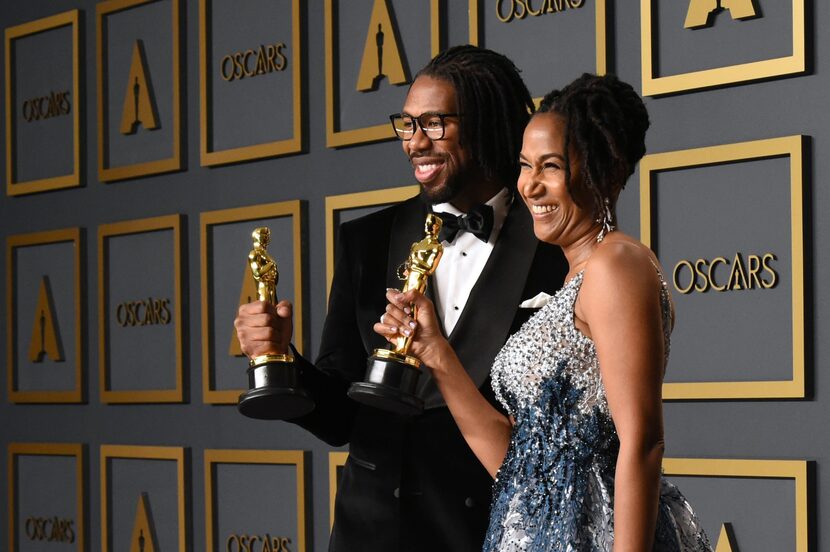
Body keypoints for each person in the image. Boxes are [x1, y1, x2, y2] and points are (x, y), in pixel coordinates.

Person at [234, 45, 568, 552]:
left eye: (434, 124)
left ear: (486, 123)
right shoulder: (366, 241)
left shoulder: (555, 248)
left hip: (492, 534)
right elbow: (341, 417)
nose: (414, 142)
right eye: (406, 124)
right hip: (370, 532)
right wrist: (282, 357)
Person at [376, 74, 714, 551]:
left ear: (607, 170)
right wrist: (436, 352)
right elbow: (516, 464)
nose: (529, 186)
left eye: (550, 167)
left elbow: (643, 443)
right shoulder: (575, 278)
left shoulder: (616, 265)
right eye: (524, 165)